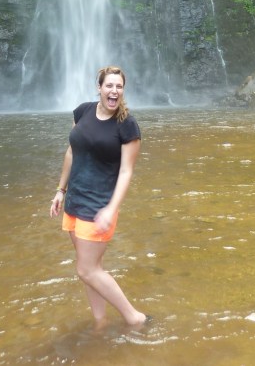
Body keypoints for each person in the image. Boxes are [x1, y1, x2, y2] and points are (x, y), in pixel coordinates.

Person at [50, 65, 148, 327]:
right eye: (109, 85)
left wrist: (111, 208)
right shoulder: (82, 111)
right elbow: (72, 152)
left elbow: (127, 171)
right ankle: (100, 322)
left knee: (86, 269)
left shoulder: (127, 126)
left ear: (123, 91)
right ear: (99, 87)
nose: (114, 91)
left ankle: (134, 317)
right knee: (91, 270)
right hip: (75, 201)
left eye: (119, 86)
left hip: (99, 205)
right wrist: (60, 191)